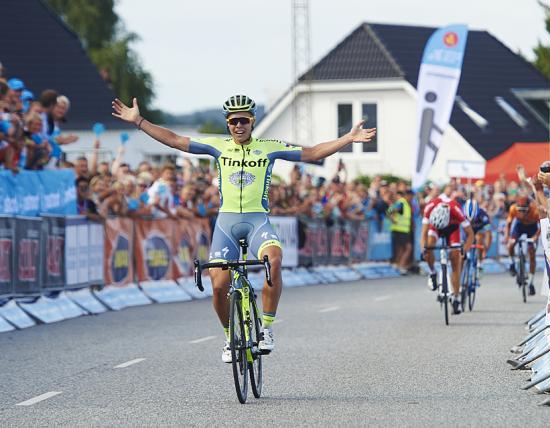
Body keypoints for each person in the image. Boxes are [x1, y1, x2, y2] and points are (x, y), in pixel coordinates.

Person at [112, 95, 375, 362]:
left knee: (274, 260)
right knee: (218, 285)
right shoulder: (218, 146)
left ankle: (267, 329)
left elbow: (312, 153)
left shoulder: (269, 147)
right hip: (226, 223)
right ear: (228, 124)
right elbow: (175, 140)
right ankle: (229, 338)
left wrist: (347, 139)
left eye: (243, 121)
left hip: (257, 221)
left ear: (252, 122)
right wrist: (139, 121)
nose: (238, 126)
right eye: (233, 121)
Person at [420, 191, 475, 315]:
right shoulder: (429, 208)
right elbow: (423, 234)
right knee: (428, 247)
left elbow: (470, 235)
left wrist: (464, 250)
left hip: (452, 229)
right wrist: (424, 249)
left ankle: (456, 297)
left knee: (456, 260)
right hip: (435, 228)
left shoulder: (456, 209)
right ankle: (432, 273)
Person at [504, 195, 540, 295]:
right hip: (519, 226)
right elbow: (508, 224)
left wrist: (536, 237)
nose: (522, 213)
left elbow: (542, 225)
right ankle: (512, 263)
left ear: (529, 207)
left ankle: (531, 283)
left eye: (524, 210)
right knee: (511, 244)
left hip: (532, 228)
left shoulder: (535, 210)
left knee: (532, 254)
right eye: (520, 210)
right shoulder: (513, 209)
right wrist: (507, 236)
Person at [386, 189, 412, 274]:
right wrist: (391, 218)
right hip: (401, 230)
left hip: (400, 230)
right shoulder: (402, 202)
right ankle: (401, 266)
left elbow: (390, 211)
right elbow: (390, 211)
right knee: (408, 248)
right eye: (410, 195)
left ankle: (397, 265)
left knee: (401, 249)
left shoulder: (402, 203)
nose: (411, 198)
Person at [462, 196, 491, 269]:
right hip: (467, 231)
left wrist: (485, 249)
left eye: (473, 220)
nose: (471, 222)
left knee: (479, 237)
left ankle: (480, 262)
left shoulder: (483, 214)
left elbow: (488, 233)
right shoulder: (461, 213)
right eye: (469, 220)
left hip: (478, 231)